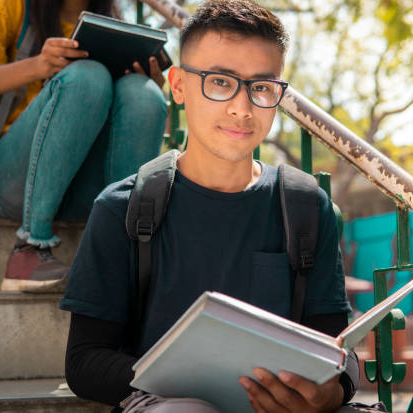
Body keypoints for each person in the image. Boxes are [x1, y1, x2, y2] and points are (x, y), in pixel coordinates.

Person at [60, 0, 363, 412]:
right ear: (179, 86)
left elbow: (337, 350)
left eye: (261, 87)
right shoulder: (122, 208)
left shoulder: (306, 206)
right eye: (221, 81)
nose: (243, 107)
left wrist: (330, 391)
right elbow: (84, 362)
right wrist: (182, 384)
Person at [0, 0, 167, 292]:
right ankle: (28, 249)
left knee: (144, 95)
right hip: (13, 179)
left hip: (80, 188)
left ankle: (122, 255)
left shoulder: (112, 22)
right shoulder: (13, 7)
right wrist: (38, 65)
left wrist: (143, 80)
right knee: (87, 77)